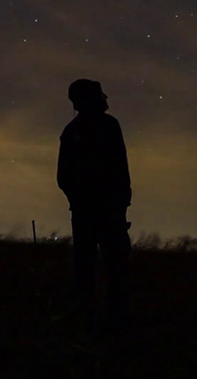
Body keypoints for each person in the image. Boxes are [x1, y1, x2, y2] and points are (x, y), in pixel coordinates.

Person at [57, 78, 132, 331]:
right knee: (112, 268)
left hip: (91, 210)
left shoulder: (72, 131)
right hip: (104, 210)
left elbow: (63, 177)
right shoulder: (108, 126)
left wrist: (80, 201)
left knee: (90, 268)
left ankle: (88, 320)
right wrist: (119, 201)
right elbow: (119, 167)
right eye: (100, 94)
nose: (106, 98)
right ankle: (112, 323)